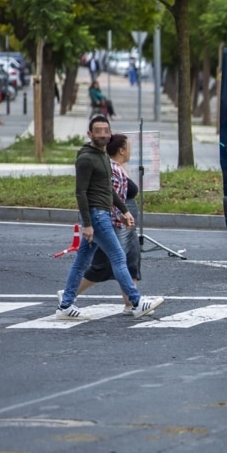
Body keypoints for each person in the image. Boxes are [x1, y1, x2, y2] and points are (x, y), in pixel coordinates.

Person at [56, 115, 164, 320]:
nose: (103, 134)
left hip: (102, 214)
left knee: (81, 262)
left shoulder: (103, 156)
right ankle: (136, 301)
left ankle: (65, 305)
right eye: (98, 130)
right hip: (96, 216)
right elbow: (80, 192)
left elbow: (108, 189)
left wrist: (124, 211)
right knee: (118, 257)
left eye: (106, 130)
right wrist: (86, 224)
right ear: (90, 134)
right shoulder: (86, 158)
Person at [70, 134, 141, 313]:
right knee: (112, 260)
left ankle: (131, 302)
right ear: (121, 150)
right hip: (108, 221)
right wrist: (119, 216)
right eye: (128, 147)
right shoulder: (109, 167)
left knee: (126, 260)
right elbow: (102, 195)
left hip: (118, 222)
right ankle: (136, 302)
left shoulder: (118, 168)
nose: (131, 151)